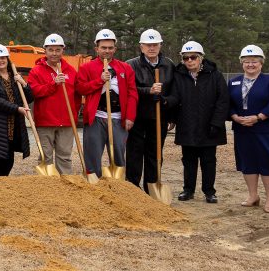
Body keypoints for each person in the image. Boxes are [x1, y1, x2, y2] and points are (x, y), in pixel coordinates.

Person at [229, 44, 269, 213]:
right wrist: (234, 116)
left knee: (267, 162)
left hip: (266, 128)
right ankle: (253, 196)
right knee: (248, 162)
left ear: (261, 63)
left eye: (254, 61)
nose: (250, 65)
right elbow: (228, 103)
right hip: (243, 129)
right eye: (246, 61)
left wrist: (259, 117)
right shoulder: (233, 82)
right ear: (241, 63)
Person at [75, 29, 138, 178]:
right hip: (95, 117)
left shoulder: (125, 68)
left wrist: (130, 116)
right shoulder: (87, 67)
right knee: (92, 153)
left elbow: (132, 93)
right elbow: (80, 88)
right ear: (96, 48)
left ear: (115, 49)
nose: (107, 51)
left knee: (118, 154)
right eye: (103, 48)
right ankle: (93, 183)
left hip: (117, 118)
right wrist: (99, 81)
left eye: (110, 48)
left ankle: (116, 184)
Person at [172, 41, 228, 203]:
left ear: (201, 58)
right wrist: (168, 109)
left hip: (209, 126)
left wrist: (216, 123)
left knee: (208, 160)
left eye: (193, 57)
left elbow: (222, 101)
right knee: (188, 160)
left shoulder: (215, 75)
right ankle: (188, 190)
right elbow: (175, 98)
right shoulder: (178, 76)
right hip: (187, 125)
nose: (189, 61)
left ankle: (209, 191)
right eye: (186, 58)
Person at [125, 29, 177, 192]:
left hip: (159, 116)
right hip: (138, 116)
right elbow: (128, 90)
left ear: (160, 45)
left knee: (155, 153)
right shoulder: (131, 65)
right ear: (141, 47)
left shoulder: (169, 65)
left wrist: (171, 114)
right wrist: (149, 91)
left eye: (155, 45)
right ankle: (133, 187)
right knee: (135, 152)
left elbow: (174, 93)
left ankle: (152, 187)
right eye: (148, 45)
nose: (152, 48)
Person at [26, 33, 78, 174]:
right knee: (45, 157)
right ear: (45, 50)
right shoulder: (36, 71)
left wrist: (73, 113)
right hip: (45, 121)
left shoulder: (71, 71)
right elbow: (33, 93)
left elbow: (77, 95)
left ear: (63, 50)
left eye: (57, 50)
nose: (54, 53)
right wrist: (53, 84)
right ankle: (47, 189)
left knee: (65, 157)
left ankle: (66, 186)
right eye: (51, 50)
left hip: (66, 122)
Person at [0, 44, 33, 176]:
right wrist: (17, 109)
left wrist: (23, 83)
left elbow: (30, 98)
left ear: (7, 59)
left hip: (13, 126)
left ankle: (2, 190)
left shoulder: (14, 76)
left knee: (9, 160)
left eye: (3, 58)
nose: (0, 61)